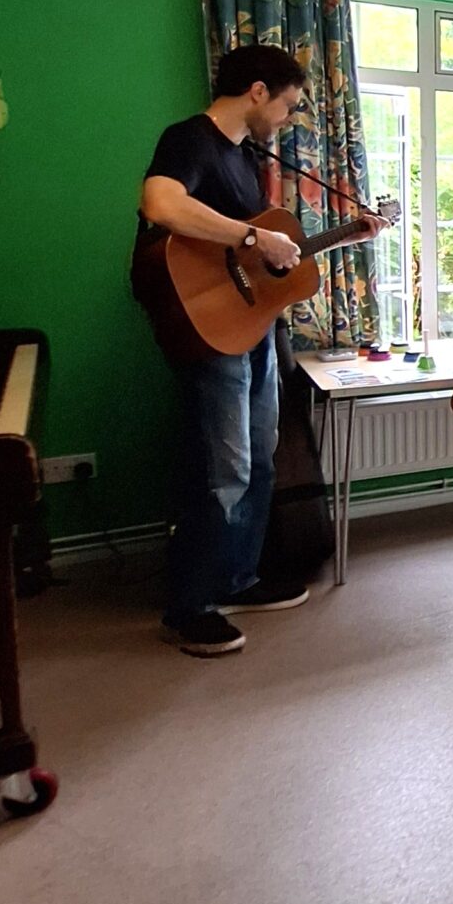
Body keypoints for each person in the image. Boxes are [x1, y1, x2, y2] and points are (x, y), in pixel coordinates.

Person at [135, 43, 387, 656]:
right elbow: (161, 206)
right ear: (256, 91)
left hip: (248, 330)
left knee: (262, 460)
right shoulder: (189, 139)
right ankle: (188, 606)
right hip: (207, 332)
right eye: (287, 105)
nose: (287, 118)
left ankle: (238, 578)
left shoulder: (244, 161)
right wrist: (254, 233)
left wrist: (344, 235)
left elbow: (255, 264)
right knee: (224, 469)